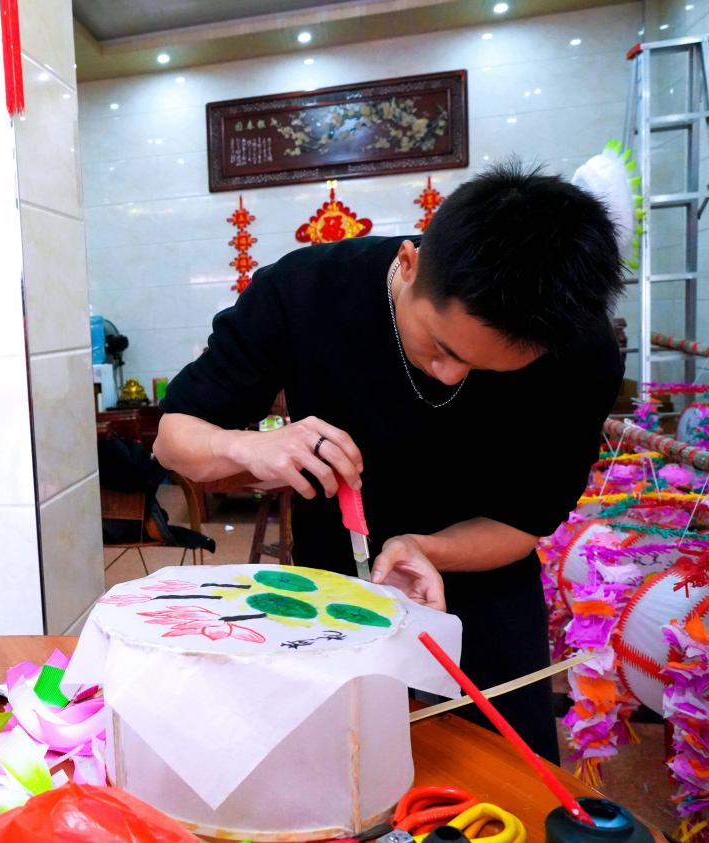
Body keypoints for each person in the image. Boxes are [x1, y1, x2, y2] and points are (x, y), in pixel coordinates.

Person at [154, 162, 624, 761]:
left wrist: (425, 548)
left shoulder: (579, 353)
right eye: (441, 348)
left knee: (508, 776)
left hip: (485, 592)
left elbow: (522, 521)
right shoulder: (306, 291)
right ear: (410, 263)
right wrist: (246, 446)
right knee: (340, 770)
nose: (450, 376)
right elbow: (173, 439)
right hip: (330, 594)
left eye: (485, 369)